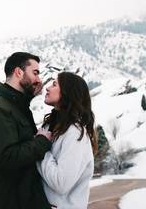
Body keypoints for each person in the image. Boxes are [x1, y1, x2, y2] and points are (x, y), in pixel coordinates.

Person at [0, 51, 52, 209]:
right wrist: (42, 142)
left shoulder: (17, 108)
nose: (39, 80)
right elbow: (8, 157)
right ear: (18, 72)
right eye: (35, 73)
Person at [36, 72, 96, 209]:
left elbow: (61, 183)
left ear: (68, 92)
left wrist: (40, 147)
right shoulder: (52, 125)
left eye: (54, 84)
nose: (47, 88)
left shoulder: (74, 133)